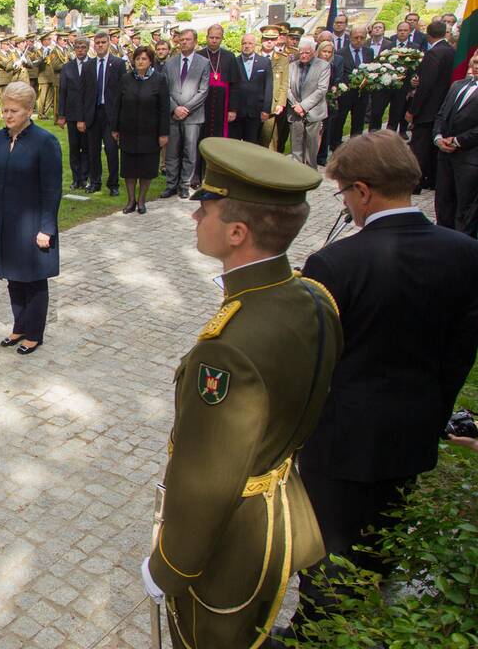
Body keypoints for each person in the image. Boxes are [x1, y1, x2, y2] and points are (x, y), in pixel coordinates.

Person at [142, 137, 342, 648]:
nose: (194, 219)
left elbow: (206, 480)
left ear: (236, 232)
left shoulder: (226, 349)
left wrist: (168, 566)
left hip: (235, 536)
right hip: (282, 506)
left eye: (203, 210)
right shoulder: (312, 296)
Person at [278, 130, 478, 640]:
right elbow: (459, 356)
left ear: (363, 191)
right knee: (381, 543)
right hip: (412, 433)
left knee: (325, 552)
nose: (345, 201)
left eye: (343, 192)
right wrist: (433, 416)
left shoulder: (335, 263)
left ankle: (314, 637)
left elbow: (312, 360)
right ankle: (363, 625)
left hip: (341, 440)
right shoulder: (465, 253)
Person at [0, 82, 62, 356]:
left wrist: (46, 228)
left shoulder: (45, 142)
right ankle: (19, 326)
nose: (7, 116)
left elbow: (52, 190)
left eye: (13, 110)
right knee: (13, 276)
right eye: (4, 110)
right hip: (4, 222)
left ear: (29, 110)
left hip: (33, 222)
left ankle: (34, 333)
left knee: (33, 278)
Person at [114, 45, 169, 214]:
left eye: (144, 58)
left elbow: (164, 108)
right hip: (128, 131)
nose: (140, 61)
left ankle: (142, 200)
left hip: (150, 133)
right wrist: (115, 128)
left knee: (146, 169)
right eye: (137, 58)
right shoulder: (125, 79)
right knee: (129, 168)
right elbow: (117, 105)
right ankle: (131, 200)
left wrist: (163, 133)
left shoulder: (159, 80)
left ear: (150, 61)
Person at [433, 52, 478, 234]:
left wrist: (458, 141)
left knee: (465, 208)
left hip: (469, 159)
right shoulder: (457, 85)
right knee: (443, 202)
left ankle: (462, 247)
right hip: (444, 156)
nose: (476, 66)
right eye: (475, 61)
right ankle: (442, 240)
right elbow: (441, 114)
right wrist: (438, 138)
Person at [162, 29, 209, 198]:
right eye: (181, 40)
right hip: (173, 115)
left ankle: (185, 185)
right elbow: (164, 90)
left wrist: (185, 109)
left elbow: (203, 91)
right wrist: (175, 108)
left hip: (193, 116)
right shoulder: (170, 63)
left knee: (190, 151)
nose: (184, 42)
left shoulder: (203, 63)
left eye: (187, 40)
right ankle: (171, 184)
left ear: (195, 41)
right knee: (172, 152)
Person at [408, 21, 455, 192]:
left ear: (428, 34)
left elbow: (426, 85)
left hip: (429, 107)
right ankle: (432, 178)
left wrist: (413, 110)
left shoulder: (434, 53)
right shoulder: (451, 50)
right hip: (443, 105)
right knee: (432, 146)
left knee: (419, 146)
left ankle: (415, 182)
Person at [194, 24, 237, 185]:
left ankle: (217, 176)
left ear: (221, 38)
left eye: (217, 38)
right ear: (207, 37)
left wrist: (232, 109)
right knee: (200, 140)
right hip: (202, 104)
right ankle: (197, 174)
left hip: (221, 105)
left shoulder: (229, 56)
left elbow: (234, 85)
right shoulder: (199, 55)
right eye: (211, 37)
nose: (213, 40)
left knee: (219, 142)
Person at [85, 31, 125, 195]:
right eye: (97, 42)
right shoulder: (89, 65)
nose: (100, 45)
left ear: (108, 43)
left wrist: (120, 119)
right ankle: (95, 182)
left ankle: (113, 184)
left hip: (110, 114)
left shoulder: (117, 63)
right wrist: (82, 117)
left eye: (103, 42)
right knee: (93, 151)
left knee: (111, 150)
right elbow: (84, 92)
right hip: (93, 113)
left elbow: (123, 91)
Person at [287, 37, 331, 168]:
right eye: (301, 52)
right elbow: (287, 88)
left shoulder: (323, 66)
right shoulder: (292, 66)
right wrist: (296, 105)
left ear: (313, 52)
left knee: (311, 147)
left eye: (307, 53)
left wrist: (303, 106)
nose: (304, 55)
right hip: (295, 111)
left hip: (314, 111)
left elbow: (321, 90)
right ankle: (296, 173)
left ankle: (311, 173)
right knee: (296, 146)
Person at [57, 35, 92, 190]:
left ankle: (85, 177)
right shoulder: (67, 67)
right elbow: (62, 92)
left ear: (87, 48)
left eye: (83, 47)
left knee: (87, 147)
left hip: (88, 113)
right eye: (77, 47)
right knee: (74, 147)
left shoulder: (93, 65)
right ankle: (76, 178)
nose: (80, 50)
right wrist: (61, 115)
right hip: (71, 114)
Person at [331, 24, 372, 145]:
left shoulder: (369, 52)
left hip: (362, 94)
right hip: (345, 95)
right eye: (356, 37)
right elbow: (337, 74)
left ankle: (356, 145)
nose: (359, 40)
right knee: (339, 121)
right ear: (350, 37)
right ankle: (335, 144)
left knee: (358, 122)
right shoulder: (340, 53)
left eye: (362, 37)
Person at [229, 32, 273, 144]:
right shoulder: (234, 62)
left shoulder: (264, 62)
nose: (247, 46)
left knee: (252, 144)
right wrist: (231, 109)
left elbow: (268, 87)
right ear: (241, 45)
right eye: (244, 43)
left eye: (250, 43)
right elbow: (231, 87)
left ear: (255, 45)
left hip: (255, 111)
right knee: (235, 144)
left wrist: (266, 109)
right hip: (237, 112)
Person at [260, 25, 291, 152]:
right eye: (266, 38)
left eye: (272, 39)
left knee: (270, 140)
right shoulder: (254, 56)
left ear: (277, 40)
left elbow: (284, 83)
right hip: (254, 104)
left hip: (272, 105)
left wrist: (281, 103)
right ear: (262, 39)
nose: (269, 42)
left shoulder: (282, 59)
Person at [315, 40, 344, 168]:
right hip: (314, 100)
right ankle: (311, 155)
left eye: (329, 52)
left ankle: (322, 156)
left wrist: (335, 88)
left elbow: (337, 80)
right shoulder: (313, 65)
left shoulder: (333, 66)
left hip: (328, 100)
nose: (326, 54)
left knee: (326, 129)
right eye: (324, 51)